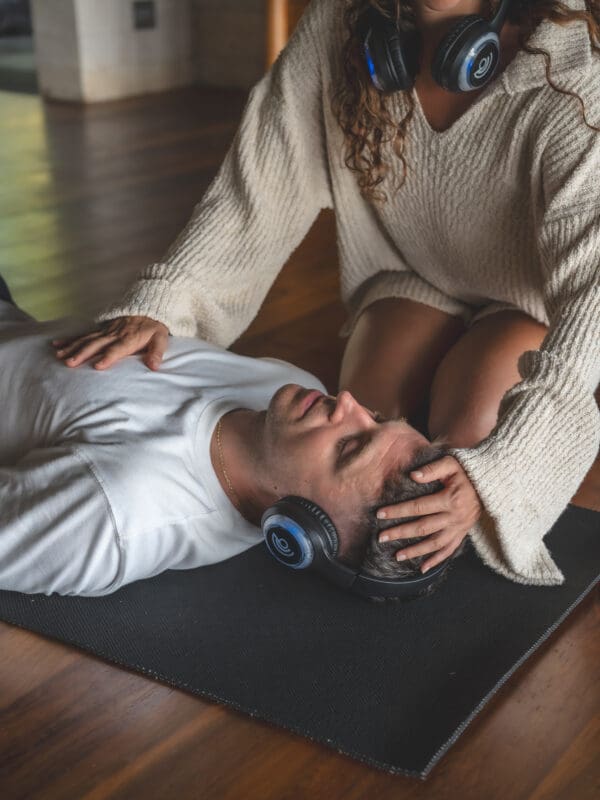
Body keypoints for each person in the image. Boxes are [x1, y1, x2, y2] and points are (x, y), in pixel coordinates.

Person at [51, 0, 600, 586]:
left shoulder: (573, 75)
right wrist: (164, 301)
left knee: (450, 475)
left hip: (531, 300)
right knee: (348, 452)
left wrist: (500, 474)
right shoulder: (339, 26)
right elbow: (256, 193)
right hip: (411, 275)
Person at [0, 295, 469, 599]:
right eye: (378, 417)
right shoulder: (293, 390)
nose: (346, 402)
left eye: (349, 446)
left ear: (302, 528)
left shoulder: (119, 513)